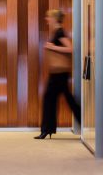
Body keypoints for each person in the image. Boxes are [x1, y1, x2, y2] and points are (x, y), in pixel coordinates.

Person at [35, 9, 81, 139]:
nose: (47, 19)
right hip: (58, 73)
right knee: (65, 99)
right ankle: (48, 129)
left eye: (48, 17)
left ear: (55, 18)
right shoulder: (56, 32)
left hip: (59, 74)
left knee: (49, 99)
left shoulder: (60, 32)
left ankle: (46, 130)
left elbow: (70, 48)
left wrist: (52, 47)